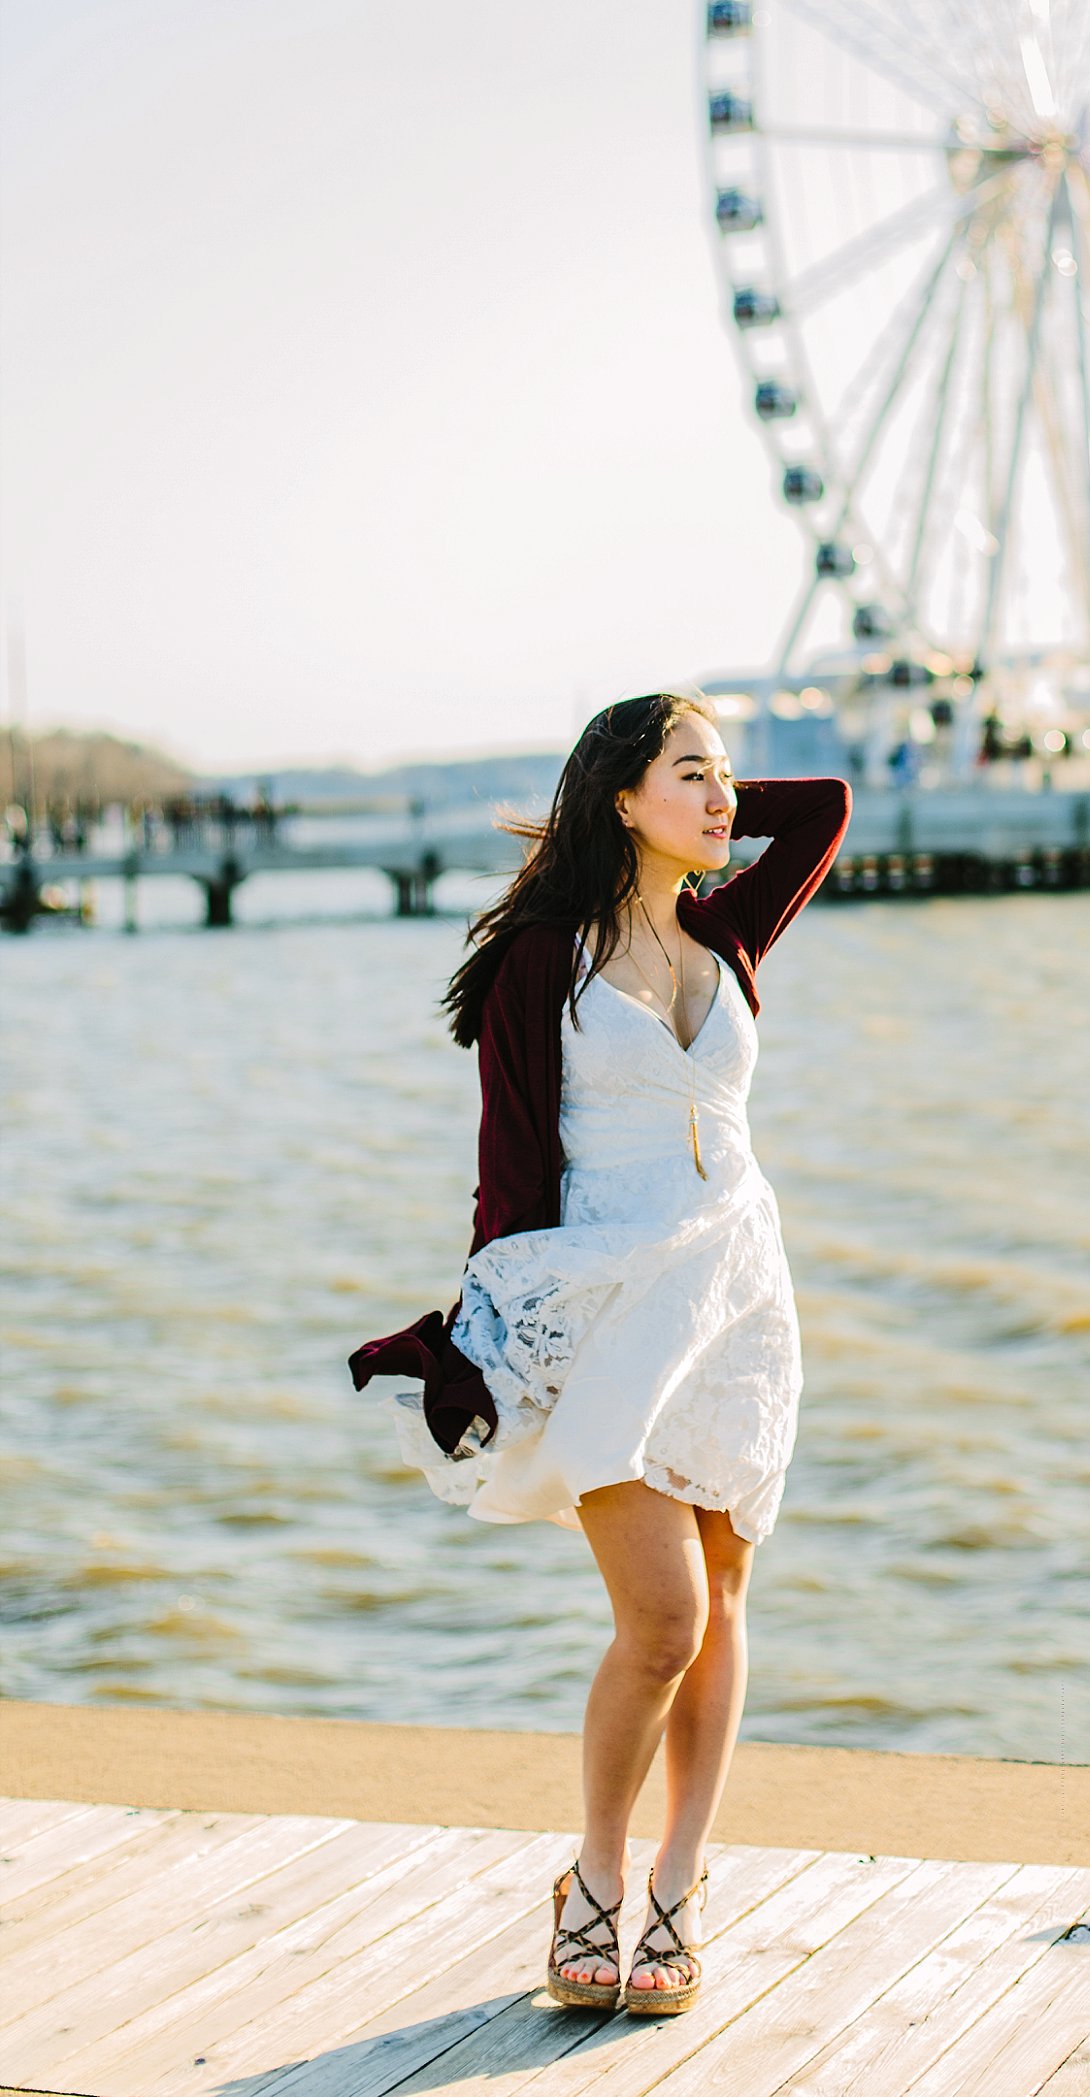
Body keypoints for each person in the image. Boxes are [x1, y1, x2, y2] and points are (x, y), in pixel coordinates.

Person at [349, 694, 850, 2017]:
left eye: (730, 779)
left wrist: (703, 781)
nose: (728, 800)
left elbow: (828, 809)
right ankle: (594, 1877)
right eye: (692, 777)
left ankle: (682, 1887)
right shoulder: (540, 958)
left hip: (739, 1295)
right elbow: (510, 1161)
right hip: (612, 1296)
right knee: (662, 1621)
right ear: (622, 795)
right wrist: (472, 1328)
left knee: (727, 1602)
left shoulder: (728, 925)